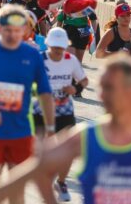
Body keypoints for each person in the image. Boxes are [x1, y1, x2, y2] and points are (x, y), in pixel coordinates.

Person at [36, 54, 131, 204]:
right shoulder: (86, 135)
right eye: (101, 87)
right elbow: (37, 170)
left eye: (109, 87)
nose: (101, 95)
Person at [0, 4, 55, 204]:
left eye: (17, 31)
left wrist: (50, 129)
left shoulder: (32, 55)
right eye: (7, 30)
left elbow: (45, 92)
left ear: (25, 30)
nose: (12, 35)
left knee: (18, 193)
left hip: (21, 132)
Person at [32, 27, 88, 201]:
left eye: (61, 47)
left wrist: (75, 88)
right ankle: (44, 184)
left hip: (64, 109)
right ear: (48, 45)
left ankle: (61, 181)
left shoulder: (71, 60)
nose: (57, 51)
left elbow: (84, 80)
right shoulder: (39, 60)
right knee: (41, 150)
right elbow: (28, 83)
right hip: (40, 108)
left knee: (69, 149)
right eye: (54, 47)